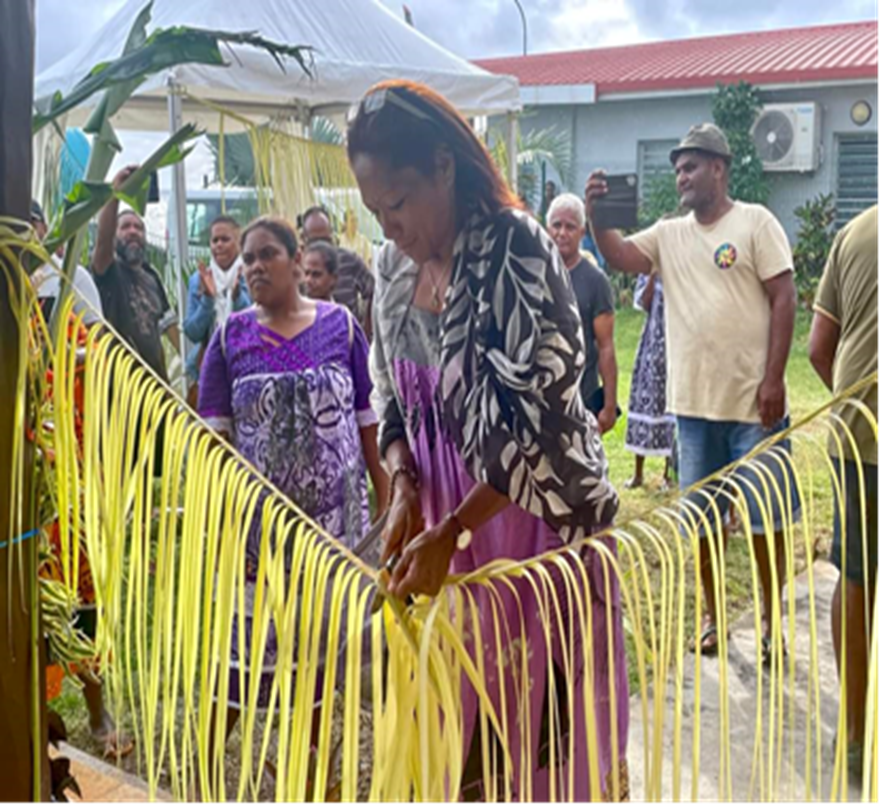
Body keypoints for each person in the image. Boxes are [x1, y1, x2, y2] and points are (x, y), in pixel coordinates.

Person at [348, 80, 628, 803]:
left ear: (445, 165)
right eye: (375, 210)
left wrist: (452, 528)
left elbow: (536, 423)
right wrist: (405, 480)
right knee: (457, 738)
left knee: (536, 743)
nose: (389, 228)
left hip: (528, 524)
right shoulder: (393, 267)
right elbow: (390, 388)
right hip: (445, 522)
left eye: (400, 203)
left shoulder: (515, 245)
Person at [586, 123, 800, 661]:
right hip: (694, 412)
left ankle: (772, 620)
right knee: (704, 525)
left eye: (691, 166)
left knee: (765, 524)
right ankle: (710, 617)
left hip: (756, 407)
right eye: (678, 167)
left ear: (719, 169)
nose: (681, 175)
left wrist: (774, 379)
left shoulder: (756, 223)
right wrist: (596, 214)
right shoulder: (669, 233)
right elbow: (620, 256)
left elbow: (785, 297)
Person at [197, 217, 389, 749]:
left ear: (295, 257)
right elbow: (214, 443)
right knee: (243, 662)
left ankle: (308, 775)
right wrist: (218, 526)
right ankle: (204, 768)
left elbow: (366, 420)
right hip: (261, 541)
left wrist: (386, 495)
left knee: (320, 664)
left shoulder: (342, 326)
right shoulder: (230, 337)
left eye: (267, 255)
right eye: (250, 259)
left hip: (336, 534)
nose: (256, 266)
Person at [29, 201, 132, 760]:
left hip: (66, 461)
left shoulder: (67, 280)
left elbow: (97, 360)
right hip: (16, 476)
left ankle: (96, 707)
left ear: (44, 229)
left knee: (78, 581)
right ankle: (32, 714)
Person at [809, 204, 879, 780]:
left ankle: (853, 733)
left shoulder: (855, 232)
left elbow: (817, 347)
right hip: (860, 437)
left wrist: (854, 400)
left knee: (855, 577)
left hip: (857, 436)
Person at [91, 165, 180, 383]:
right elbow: (103, 241)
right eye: (125, 227)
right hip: (122, 392)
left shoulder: (152, 276)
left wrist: (196, 367)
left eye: (138, 228)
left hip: (155, 391)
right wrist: (115, 194)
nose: (133, 231)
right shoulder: (109, 271)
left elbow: (169, 327)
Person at [547, 193, 619, 434]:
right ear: (547, 229)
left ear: (582, 232)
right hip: (541, 399)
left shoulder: (596, 281)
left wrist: (608, 406)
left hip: (582, 399)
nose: (562, 233)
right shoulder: (534, 276)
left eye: (570, 226)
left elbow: (606, 346)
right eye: (556, 225)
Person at [184, 215, 250, 403]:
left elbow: (256, 325)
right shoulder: (198, 279)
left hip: (244, 368)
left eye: (225, 239)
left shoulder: (250, 273)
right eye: (215, 240)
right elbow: (192, 332)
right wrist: (207, 299)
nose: (219, 245)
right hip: (207, 370)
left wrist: (237, 297)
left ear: (238, 243)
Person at [624, 272, 675, 490]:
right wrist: (654, 275)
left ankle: (668, 474)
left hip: (676, 346)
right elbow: (644, 303)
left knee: (673, 408)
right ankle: (638, 473)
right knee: (644, 400)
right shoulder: (648, 270)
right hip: (652, 345)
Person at [301, 206, 375, 338]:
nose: (321, 249)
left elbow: (373, 291)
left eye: (326, 241)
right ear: (304, 239)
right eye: (315, 242)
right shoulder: (297, 268)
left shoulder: (349, 260)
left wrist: (365, 332)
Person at [30, 200, 103, 325]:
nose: (23, 231)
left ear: (45, 229)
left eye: (31, 224)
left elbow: (95, 333)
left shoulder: (74, 276)